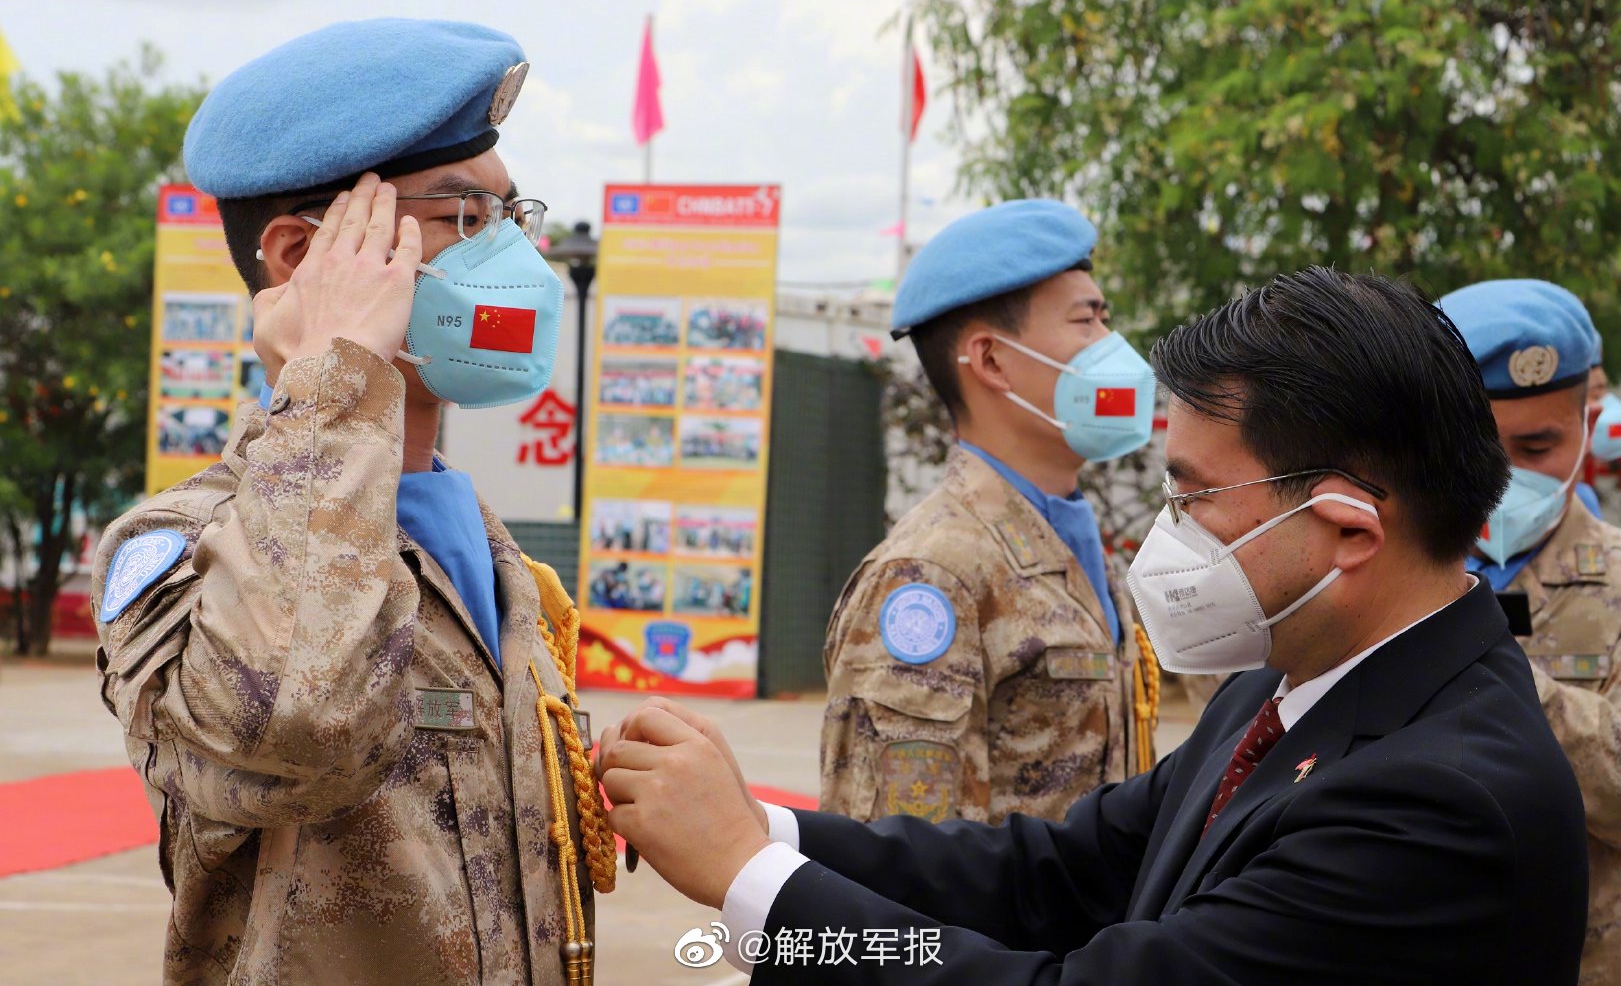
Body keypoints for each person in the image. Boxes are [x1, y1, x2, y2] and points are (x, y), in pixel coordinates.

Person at [596, 267, 1589, 984]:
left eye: (1195, 497)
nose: (1168, 532)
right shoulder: (1280, 687)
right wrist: (759, 825)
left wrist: (745, 877)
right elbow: (1054, 873)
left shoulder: (1437, 800)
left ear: (1344, 529)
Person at [92, 19, 613, 985]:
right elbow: (296, 738)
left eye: (512, 216)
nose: (508, 257)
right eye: (465, 217)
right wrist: (336, 377)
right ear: (299, 254)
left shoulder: (496, 558)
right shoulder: (181, 542)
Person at [820, 200, 1159, 827]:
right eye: (1086, 322)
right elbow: (901, 863)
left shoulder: (1069, 545)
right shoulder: (931, 575)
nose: (1112, 348)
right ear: (993, 360)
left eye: (1105, 319)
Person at [1438, 279, 1621, 982]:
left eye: (1537, 446)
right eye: (1481, 448)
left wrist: (1492, 672)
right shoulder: (1370, 573)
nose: (1506, 478)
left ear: (1588, 421)